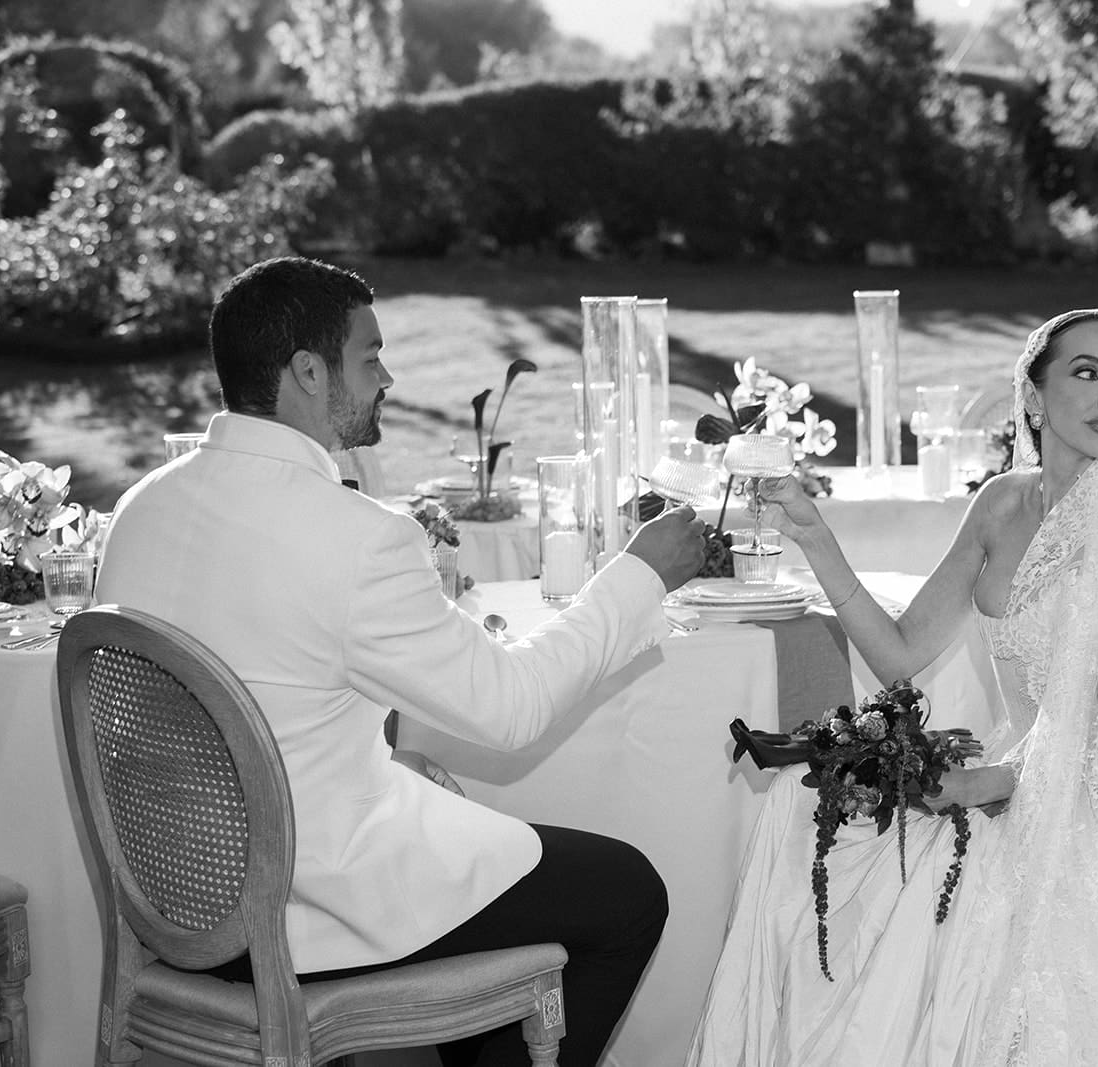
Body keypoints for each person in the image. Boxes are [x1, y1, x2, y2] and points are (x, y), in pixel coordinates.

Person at [94, 256, 706, 1067]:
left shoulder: (141, 507)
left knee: (471, 843)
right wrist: (637, 576)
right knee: (626, 892)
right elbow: (509, 707)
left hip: (177, 907)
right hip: (312, 906)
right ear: (307, 372)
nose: (389, 375)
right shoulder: (354, 535)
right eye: (370, 356)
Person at [686, 309, 1098, 1066]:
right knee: (805, 810)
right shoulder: (1000, 504)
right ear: (1035, 399)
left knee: (931, 883)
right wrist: (815, 536)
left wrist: (999, 779)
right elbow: (903, 656)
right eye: (1087, 372)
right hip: (1018, 772)